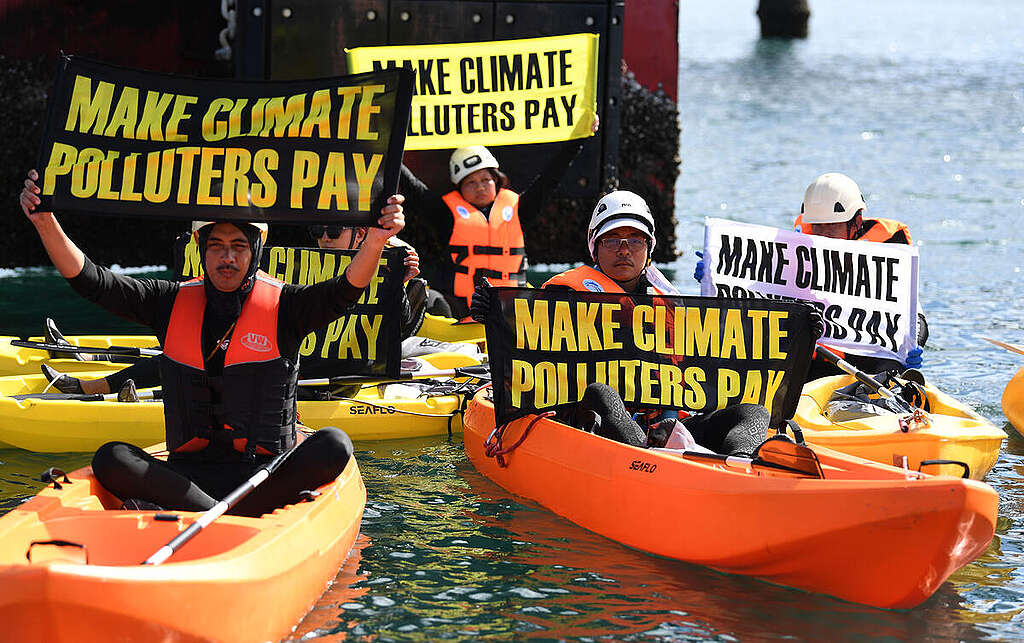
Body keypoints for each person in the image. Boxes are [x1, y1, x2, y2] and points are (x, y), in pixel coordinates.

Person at [20, 168, 405, 516]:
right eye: (216, 246)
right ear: (201, 249)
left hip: (264, 475)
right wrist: (44, 221)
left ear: (255, 251)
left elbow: (345, 290)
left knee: (335, 444)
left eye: (239, 246)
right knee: (111, 457)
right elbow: (92, 281)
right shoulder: (168, 301)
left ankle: (213, 513)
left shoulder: (287, 307)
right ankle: (223, 514)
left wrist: (375, 241)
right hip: (188, 477)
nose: (227, 257)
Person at [472, 190, 794, 457]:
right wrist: (493, 314)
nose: (624, 250)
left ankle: (741, 467)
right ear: (595, 249)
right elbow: (523, 341)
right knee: (602, 393)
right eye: (612, 240)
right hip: (592, 421)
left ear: (648, 249)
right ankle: (648, 462)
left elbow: (717, 355)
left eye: (635, 240)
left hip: (660, 426)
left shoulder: (669, 301)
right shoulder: (564, 294)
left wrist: (797, 332)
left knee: (755, 413)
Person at [694, 172, 927, 379]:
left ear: (856, 222)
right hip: (815, 358)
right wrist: (716, 277)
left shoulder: (886, 253)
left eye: (832, 226)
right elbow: (758, 293)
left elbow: (915, 317)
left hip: (866, 362)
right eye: (818, 226)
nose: (823, 234)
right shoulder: (798, 251)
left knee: (891, 368)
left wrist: (910, 345)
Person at [400, 116, 600, 318]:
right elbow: (412, 187)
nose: (480, 187)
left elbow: (550, 177)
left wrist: (579, 137)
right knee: (432, 300)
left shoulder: (519, 209)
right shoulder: (445, 214)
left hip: (510, 306)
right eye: (470, 182)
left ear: (496, 181)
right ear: (459, 189)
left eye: (485, 180)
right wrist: (387, 147)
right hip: (460, 307)